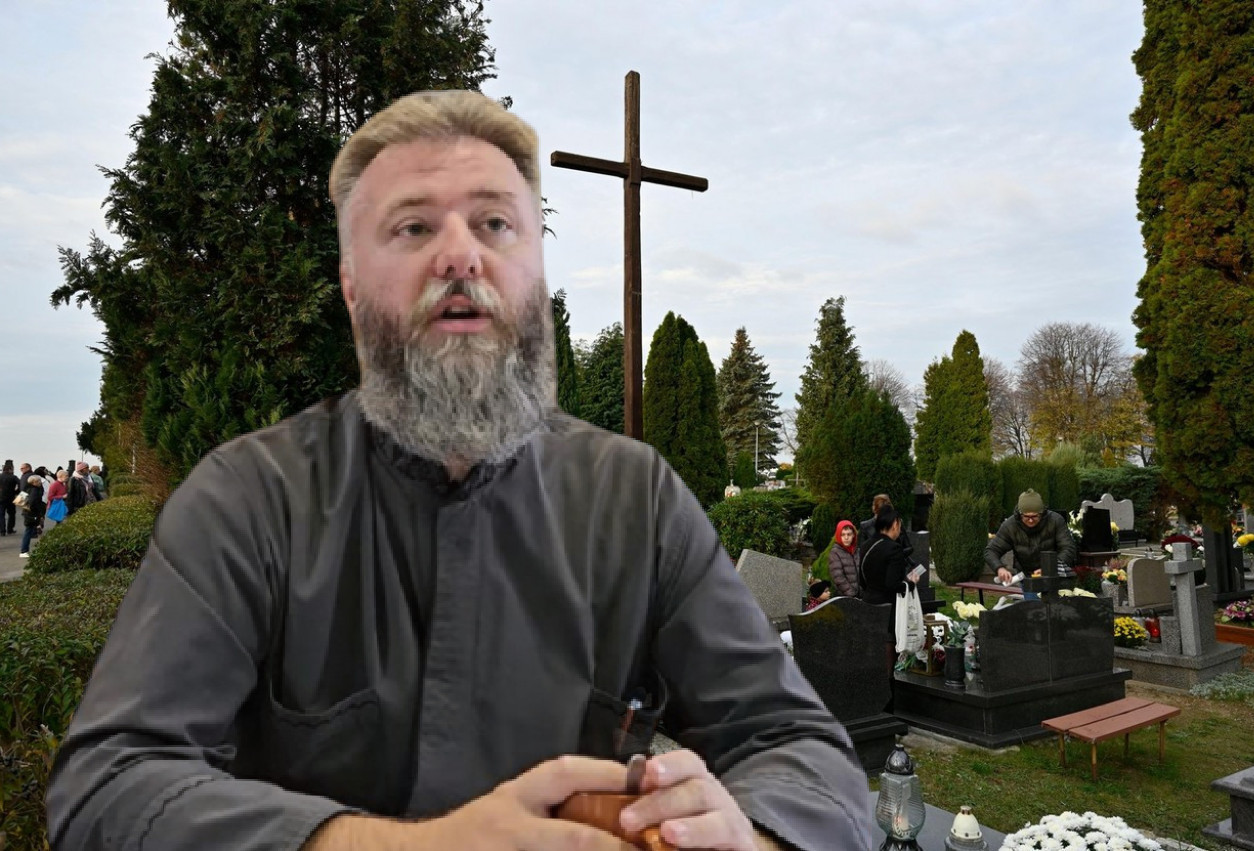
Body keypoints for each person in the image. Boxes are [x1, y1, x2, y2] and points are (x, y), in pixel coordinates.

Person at [46, 90, 874, 851]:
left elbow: (800, 748)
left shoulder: (639, 498)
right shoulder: (246, 500)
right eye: (413, 227)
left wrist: (751, 838)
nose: (460, 255)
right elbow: (108, 785)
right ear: (350, 287)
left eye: (495, 224)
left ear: (536, 274)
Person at [985, 489, 1077, 585]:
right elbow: (991, 550)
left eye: (1034, 516)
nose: (1030, 520)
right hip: (1027, 578)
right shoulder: (1010, 525)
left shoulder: (1055, 520)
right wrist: (999, 568)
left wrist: (1050, 568)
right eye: (1026, 516)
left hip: (1056, 577)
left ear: (1042, 513)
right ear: (1020, 514)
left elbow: (1068, 548)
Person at [858, 507, 920, 622]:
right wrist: (911, 583)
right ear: (895, 524)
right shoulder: (894, 548)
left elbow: (861, 580)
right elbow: (893, 585)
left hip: (867, 602)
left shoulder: (866, 545)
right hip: (888, 608)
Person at [858, 493, 914, 566]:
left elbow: (909, 547)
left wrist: (895, 555)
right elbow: (861, 551)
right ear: (874, 509)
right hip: (875, 567)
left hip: (896, 565)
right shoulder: (865, 526)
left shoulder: (896, 523)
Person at [828, 520, 860, 598]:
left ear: (853, 535)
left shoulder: (858, 551)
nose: (846, 537)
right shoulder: (835, 553)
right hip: (845, 597)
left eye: (849, 534)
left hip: (861, 596)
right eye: (843, 534)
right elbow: (838, 577)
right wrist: (852, 594)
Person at [19, 475, 44, 558]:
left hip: (26, 512)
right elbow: (33, 503)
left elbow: (20, 501)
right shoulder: (35, 490)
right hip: (32, 514)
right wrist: (39, 512)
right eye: (39, 481)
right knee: (29, 531)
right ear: (34, 482)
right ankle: (24, 551)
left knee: (29, 530)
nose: (40, 482)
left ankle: (25, 550)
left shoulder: (27, 488)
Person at [0, 460, 19, 535]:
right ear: (10, 469)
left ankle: (2, 530)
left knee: (1, 514)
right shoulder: (14, 477)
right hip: (11, 498)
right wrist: (16, 492)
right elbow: (20, 485)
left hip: (1, 498)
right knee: (11, 514)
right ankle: (10, 529)